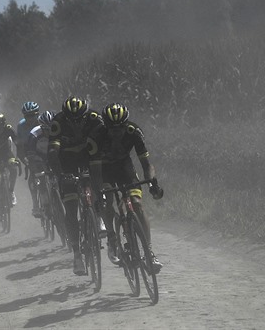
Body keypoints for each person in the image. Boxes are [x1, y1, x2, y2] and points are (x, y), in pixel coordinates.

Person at [89, 103, 164, 271]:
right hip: (103, 170)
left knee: (136, 203)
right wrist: (98, 193)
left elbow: (146, 164)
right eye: (112, 129)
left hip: (124, 168)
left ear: (125, 125)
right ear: (105, 127)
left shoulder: (134, 131)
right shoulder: (96, 137)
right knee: (106, 201)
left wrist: (153, 183)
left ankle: (148, 252)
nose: (116, 133)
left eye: (120, 129)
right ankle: (112, 237)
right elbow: (94, 171)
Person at [47, 96, 104, 275]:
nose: (76, 123)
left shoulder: (94, 118)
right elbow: (53, 150)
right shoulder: (58, 121)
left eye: (79, 119)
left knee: (98, 186)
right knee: (70, 210)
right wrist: (60, 175)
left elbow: (104, 142)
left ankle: (99, 217)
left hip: (89, 157)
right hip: (67, 162)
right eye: (72, 120)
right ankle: (77, 255)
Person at [25, 111, 54, 218]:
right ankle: (39, 204)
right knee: (38, 177)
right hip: (37, 157)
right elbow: (30, 154)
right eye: (46, 129)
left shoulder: (58, 131)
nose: (49, 132)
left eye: (51, 128)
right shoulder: (34, 134)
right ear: (42, 127)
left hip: (51, 156)